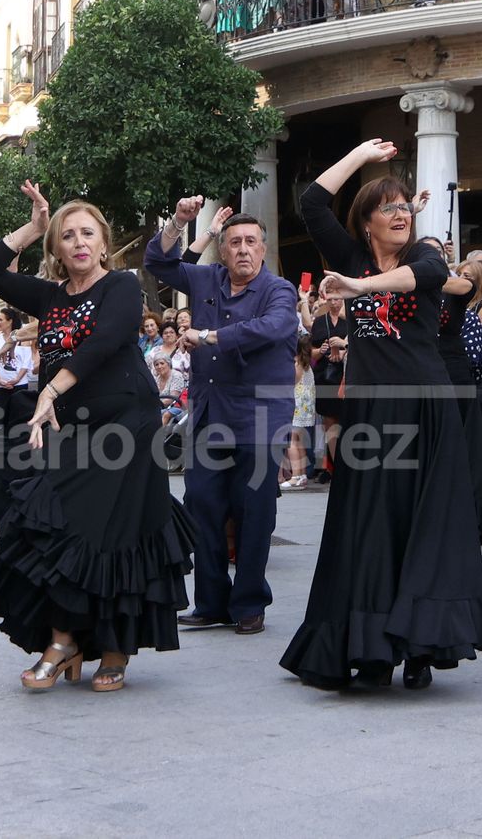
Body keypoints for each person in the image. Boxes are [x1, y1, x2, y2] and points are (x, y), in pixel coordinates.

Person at [280, 139, 482, 691]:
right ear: (367, 221)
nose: (400, 212)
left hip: (427, 409)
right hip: (374, 413)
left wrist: (360, 286)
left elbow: (420, 280)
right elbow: (311, 202)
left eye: (405, 204)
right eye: (388, 206)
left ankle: (422, 643)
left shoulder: (424, 255)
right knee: (371, 525)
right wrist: (358, 156)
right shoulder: (349, 256)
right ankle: (372, 644)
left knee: (427, 525)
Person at [0, 181, 194, 692]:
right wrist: (32, 226)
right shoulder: (48, 295)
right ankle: (65, 637)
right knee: (59, 528)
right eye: (66, 235)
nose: (77, 242)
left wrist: (51, 387)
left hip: (126, 425)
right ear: (56, 248)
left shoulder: (119, 287)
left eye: (87, 233)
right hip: (73, 426)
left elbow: (105, 341)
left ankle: (110, 646)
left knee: (117, 532)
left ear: (102, 241)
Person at [147, 200, 297, 636]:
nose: (243, 250)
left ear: (263, 250)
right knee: (202, 506)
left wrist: (209, 335)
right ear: (223, 250)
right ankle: (210, 602)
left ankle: (249, 602)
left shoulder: (279, 290)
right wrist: (182, 222)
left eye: (251, 242)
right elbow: (158, 261)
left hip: (259, 417)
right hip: (211, 415)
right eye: (235, 242)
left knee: (254, 511)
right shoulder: (207, 278)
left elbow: (271, 328)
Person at [423, 236, 482, 545]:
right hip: (422, 371)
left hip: (454, 373)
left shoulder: (453, 286)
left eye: (436, 253)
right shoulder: (409, 287)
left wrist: (429, 275)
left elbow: (465, 287)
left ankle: (471, 527)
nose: (429, 257)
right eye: (424, 252)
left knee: (464, 449)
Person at [306, 293, 346, 483]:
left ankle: (344, 466)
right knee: (329, 422)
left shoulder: (352, 320)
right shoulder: (320, 321)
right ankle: (335, 468)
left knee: (347, 421)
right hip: (325, 375)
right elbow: (311, 353)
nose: (334, 302)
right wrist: (320, 352)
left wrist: (344, 350)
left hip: (347, 375)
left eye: (338, 298)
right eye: (331, 299)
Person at [281, 336, 315, 489]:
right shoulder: (307, 363)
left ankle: (295, 475)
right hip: (306, 406)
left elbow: (292, 379)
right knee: (299, 441)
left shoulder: (296, 362)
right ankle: (301, 474)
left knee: (291, 441)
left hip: (296, 404)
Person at [0, 308, 32, 425]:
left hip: (19, 384)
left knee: (18, 419)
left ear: (10, 321)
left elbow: (26, 362)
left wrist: (17, 379)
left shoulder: (23, 338)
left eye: (1, 319)